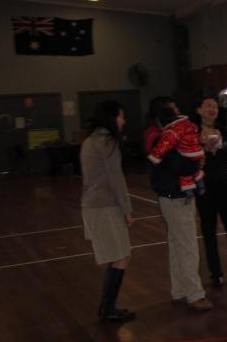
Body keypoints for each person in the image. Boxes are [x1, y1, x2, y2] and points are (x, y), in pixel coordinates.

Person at [144, 96, 213, 312]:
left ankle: (180, 290)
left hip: (171, 195)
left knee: (177, 244)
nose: (177, 114)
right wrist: (197, 163)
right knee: (187, 246)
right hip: (175, 196)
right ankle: (195, 294)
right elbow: (178, 164)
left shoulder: (158, 134)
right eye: (174, 110)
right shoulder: (160, 136)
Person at [80, 99, 136, 322]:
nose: (124, 120)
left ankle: (107, 308)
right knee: (121, 256)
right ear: (112, 118)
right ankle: (107, 309)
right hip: (105, 205)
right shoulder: (108, 141)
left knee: (118, 256)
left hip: (93, 204)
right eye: (121, 116)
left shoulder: (90, 140)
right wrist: (127, 210)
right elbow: (116, 179)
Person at [194, 94, 227, 286]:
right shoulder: (192, 131)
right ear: (199, 110)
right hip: (205, 186)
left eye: (215, 107)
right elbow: (189, 159)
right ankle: (216, 273)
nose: (212, 110)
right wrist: (203, 147)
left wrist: (221, 146)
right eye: (208, 106)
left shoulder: (223, 129)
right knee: (209, 231)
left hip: (225, 185)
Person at [147, 104, 205, 195]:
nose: (178, 110)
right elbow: (181, 166)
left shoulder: (173, 132)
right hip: (173, 192)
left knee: (188, 177)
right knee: (191, 174)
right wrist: (196, 163)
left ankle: (191, 191)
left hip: (175, 190)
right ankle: (195, 189)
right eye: (174, 108)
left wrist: (154, 157)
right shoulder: (166, 136)